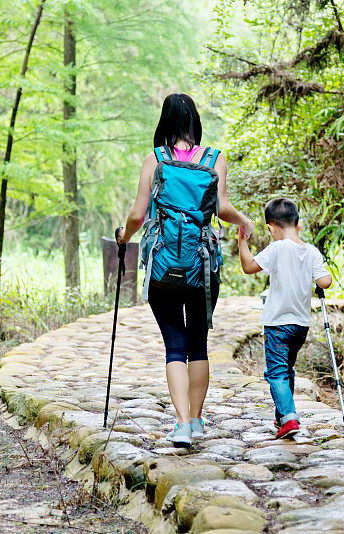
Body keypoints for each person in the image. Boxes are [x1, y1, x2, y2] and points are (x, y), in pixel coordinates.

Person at [117, 93, 254, 447]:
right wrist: (245, 221)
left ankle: (179, 425)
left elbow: (137, 215)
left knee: (174, 345)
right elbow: (221, 208)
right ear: (195, 121)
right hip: (202, 265)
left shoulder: (155, 159)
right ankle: (194, 421)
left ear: (165, 122)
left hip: (163, 267)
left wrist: (124, 238)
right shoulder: (214, 159)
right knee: (199, 344)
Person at [237, 197, 332, 439]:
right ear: (299, 224)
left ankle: (289, 417)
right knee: (286, 369)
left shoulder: (277, 248)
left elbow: (248, 267)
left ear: (271, 228)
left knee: (276, 372)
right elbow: (325, 282)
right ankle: (282, 416)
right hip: (301, 326)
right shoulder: (312, 252)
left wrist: (242, 242)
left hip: (278, 323)